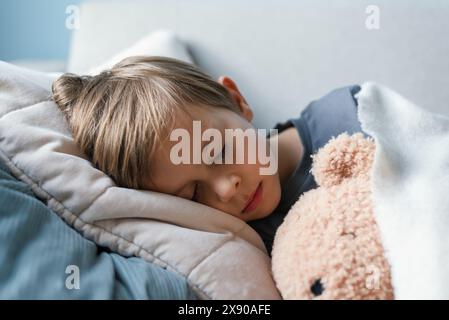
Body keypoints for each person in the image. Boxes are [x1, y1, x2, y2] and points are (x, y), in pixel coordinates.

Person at [52, 55, 364, 254]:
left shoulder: (350, 117)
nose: (226, 190)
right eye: (192, 195)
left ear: (236, 99)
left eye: (218, 151)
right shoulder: (249, 245)